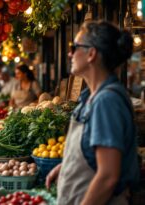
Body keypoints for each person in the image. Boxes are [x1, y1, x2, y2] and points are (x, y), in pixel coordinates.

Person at [45, 21, 139, 205]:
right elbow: (94, 156)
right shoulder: (90, 97)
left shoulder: (107, 102)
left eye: (74, 47)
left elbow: (108, 177)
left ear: (91, 53)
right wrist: (66, 168)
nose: (69, 53)